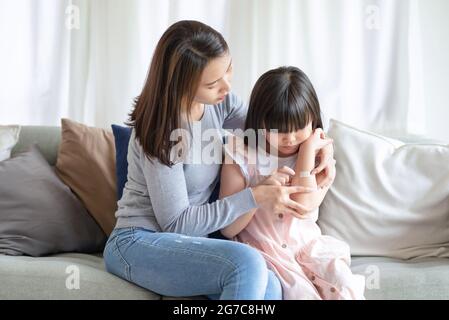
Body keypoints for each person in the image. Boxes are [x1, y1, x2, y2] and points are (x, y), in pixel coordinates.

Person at [103, 20, 336, 300]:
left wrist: (318, 145)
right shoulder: (160, 133)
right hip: (137, 242)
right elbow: (177, 224)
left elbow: (274, 128)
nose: (226, 86)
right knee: (248, 263)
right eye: (213, 83)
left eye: (228, 70)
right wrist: (254, 196)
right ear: (181, 84)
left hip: (191, 243)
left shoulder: (221, 105)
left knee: (272, 285)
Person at [219, 66, 365, 300]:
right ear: (260, 120)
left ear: (313, 119)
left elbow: (302, 205)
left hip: (310, 249)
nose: (290, 138)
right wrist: (257, 195)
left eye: (299, 128)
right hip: (264, 252)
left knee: (346, 287)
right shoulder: (240, 153)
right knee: (301, 295)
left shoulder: (318, 154)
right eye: (279, 130)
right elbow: (228, 228)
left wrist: (307, 153)